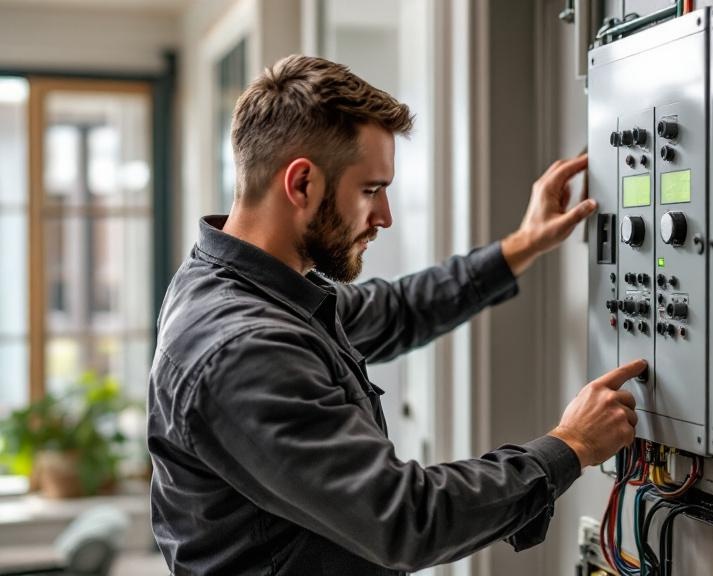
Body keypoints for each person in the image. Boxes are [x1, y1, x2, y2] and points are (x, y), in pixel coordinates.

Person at [148, 54, 645, 576]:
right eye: (371, 190)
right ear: (301, 185)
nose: (384, 216)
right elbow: (405, 520)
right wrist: (572, 446)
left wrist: (523, 244)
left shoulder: (252, 286)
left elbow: (399, 309)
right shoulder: (244, 348)